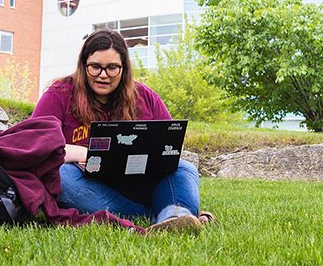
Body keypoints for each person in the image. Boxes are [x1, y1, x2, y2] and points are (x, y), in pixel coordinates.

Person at [31, 28, 213, 232]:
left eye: (112, 68)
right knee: (60, 177)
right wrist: (84, 153)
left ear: (124, 68)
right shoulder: (59, 95)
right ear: (83, 65)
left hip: (139, 183)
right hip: (86, 183)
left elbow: (169, 144)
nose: (103, 75)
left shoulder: (145, 96)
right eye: (95, 67)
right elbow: (34, 144)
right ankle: (165, 214)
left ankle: (174, 215)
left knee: (184, 168)